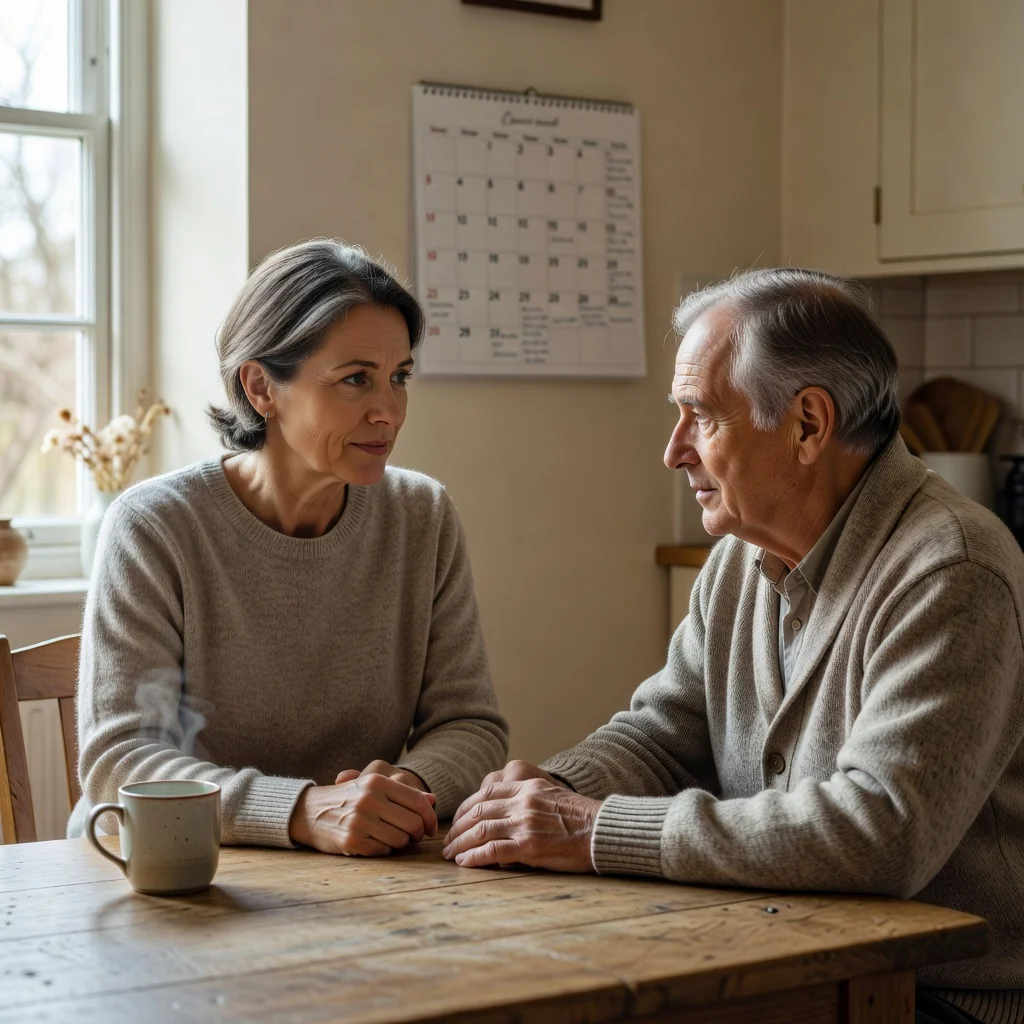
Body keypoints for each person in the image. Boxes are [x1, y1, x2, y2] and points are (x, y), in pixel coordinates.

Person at [443, 268, 1024, 1024]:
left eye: (700, 416)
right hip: (783, 948)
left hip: (939, 993)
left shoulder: (952, 567)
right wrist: (541, 795)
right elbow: (663, 738)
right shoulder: (740, 557)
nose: (673, 450)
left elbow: (881, 832)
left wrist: (588, 831)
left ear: (808, 425)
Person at [72, 239, 508, 856]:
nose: (389, 411)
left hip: (359, 874)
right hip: (165, 873)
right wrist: (302, 811)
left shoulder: (421, 516)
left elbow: (469, 724)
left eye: (399, 377)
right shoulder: (154, 526)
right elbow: (120, 763)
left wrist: (402, 793)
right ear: (261, 388)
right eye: (356, 379)